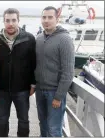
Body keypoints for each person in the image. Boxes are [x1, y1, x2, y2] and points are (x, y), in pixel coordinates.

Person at [0, 8, 36, 137]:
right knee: (2, 119)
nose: (10, 23)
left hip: (22, 89)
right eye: (7, 20)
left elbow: (33, 62)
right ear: (3, 21)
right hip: (1, 89)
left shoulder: (29, 38)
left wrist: (33, 84)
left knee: (23, 119)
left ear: (18, 21)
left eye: (13, 20)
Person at [35, 6, 75, 137]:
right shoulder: (39, 38)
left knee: (54, 128)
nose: (46, 20)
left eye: (50, 17)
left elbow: (68, 72)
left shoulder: (65, 39)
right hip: (40, 90)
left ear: (57, 19)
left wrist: (59, 96)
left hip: (54, 92)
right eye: (44, 17)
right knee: (43, 124)